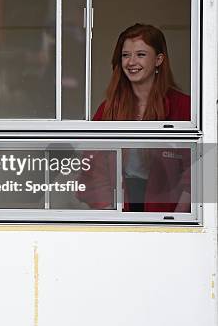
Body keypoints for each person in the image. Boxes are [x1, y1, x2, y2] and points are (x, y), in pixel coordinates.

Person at [79, 24, 191, 212]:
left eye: (140, 54)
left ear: (158, 59)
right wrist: (108, 211)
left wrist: (179, 218)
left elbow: (198, 169)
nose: (131, 62)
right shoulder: (108, 109)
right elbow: (93, 167)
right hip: (120, 208)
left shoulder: (185, 107)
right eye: (125, 55)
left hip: (170, 212)